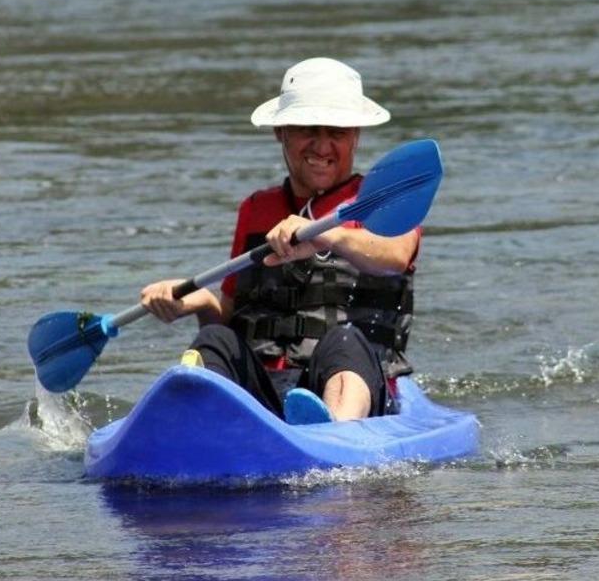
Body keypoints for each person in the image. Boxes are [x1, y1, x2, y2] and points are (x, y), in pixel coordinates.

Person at [139, 58, 420, 424]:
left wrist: (326, 235)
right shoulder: (257, 209)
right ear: (280, 132)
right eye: (307, 130)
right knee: (214, 342)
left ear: (356, 136)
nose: (321, 146)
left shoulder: (385, 201)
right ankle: (190, 421)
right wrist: (197, 302)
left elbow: (396, 256)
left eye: (336, 132)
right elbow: (232, 317)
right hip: (267, 390)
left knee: (345, 340)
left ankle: (332, 432)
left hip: (358, 390)